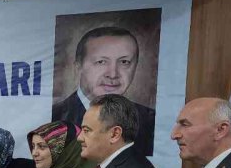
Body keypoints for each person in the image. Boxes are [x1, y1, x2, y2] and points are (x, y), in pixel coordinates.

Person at [52, 27, 156, 156]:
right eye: (101, 62)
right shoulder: (54, 117)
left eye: (124, 62)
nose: (113, 74)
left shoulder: (150, 120)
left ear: (135, 66)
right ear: (78, 66)